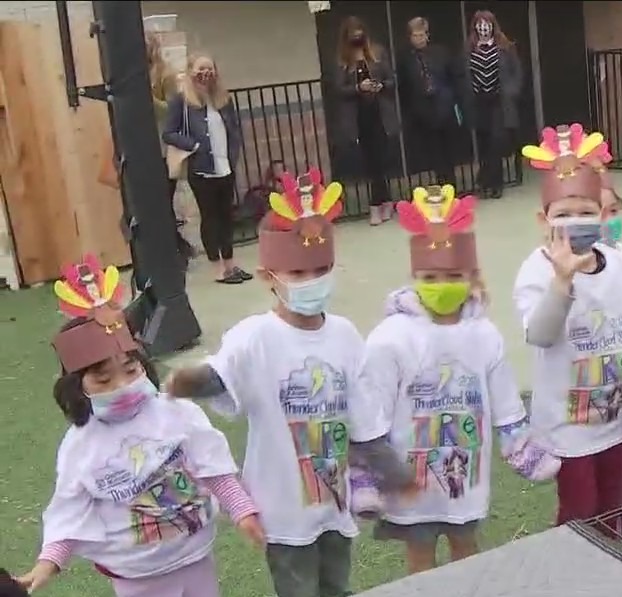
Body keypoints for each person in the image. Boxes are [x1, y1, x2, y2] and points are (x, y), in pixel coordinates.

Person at [165, 169, 413, 597]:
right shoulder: (255, 336)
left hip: (334, 497)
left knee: (336, 581)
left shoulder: (345, 334)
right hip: (283, 503)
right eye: (297, 273)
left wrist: (389, 470)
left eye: (321, 269)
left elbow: (363, 417)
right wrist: (189, 382)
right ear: (269, 277)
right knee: (298, 587)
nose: (311, 281)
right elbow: (222, 375)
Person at [15, 255, 264, 596]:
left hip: (195, 558)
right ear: (78, 388)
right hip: (137, 576)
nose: (122, 386)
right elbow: (70, 506)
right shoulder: (81, 445)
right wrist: (49, 561)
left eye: (131, 371)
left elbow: (212, 466)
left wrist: (242, 509)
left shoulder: (176, 412)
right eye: (103, 380)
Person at [359, 184, 559, 574]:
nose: (441, 283)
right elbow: (373, 407)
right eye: (430, 275)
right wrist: (373, 469)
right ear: (414, 275)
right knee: (420, 556)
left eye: (452, 274)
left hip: (464, 474)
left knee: (466, 546)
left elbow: (503, 399)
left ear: (471, 276)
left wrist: (517, 440)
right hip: (409, 477)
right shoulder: (391, 337)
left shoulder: (483, 335)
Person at [513, 124, 622, 531]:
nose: (576, 222)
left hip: (617, 420)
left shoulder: (619, 264)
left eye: (586, 212)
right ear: (543, 219)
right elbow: (540, 333)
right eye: (563, 214)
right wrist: (562, 282)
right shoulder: (536, 269)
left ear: (603, 215)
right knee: (579, 512)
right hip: (568, 429)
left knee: (616, 505)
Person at [162, 54, 248, 285]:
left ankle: (231, 263)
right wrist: (195, 146)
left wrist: (233, 152)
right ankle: (217, 267)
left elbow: (233, 128)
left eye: (210, 69)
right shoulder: (182, 101)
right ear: (191, 72)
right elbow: (169, 133)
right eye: (201, 69)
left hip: (225, 166)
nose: (206, 74)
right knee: (210, 217)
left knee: (227, 216)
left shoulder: (222, 99)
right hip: (202, 169)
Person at [334, 16, 400, 226]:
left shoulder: (377, 52)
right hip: (358, 117)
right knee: (369, 163)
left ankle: (378, 205)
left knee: (381, 160)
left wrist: (380, 85)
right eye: (352, 33)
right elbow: (337, 89)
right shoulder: (343, 60)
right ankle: (382, 203)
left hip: (379, 113)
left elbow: (392, 79)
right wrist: (357, 88)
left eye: (359, 32)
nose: (357, 36)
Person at [145, 32, 196, 266]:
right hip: (143, 146)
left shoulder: (165, 74)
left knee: (162, 202)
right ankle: (176, 248)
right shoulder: (134, 75)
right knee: (151, 204)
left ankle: (176, 250)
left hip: (164, 148)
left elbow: (172, 110)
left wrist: (147, 99)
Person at [460, 10, 522, 200]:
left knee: (496, 141)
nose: (483, 27)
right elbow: (463, 74)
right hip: (479, 102)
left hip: (498, 100)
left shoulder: (505, 47)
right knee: (484, 143)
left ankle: (496, 184)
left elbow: (517, 72)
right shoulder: (469, 48)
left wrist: (511, 90)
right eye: (479, 23)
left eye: (487, 23)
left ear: (493, 25)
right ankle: (486, 182)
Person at [397, 17, 461, 187]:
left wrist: (452, 100)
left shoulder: (441, 52)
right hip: (422, 112)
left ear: (427, 35)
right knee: (434, 153)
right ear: (410, 37)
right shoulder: (405, 59)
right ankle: (441, 185)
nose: (419, 39)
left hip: (445, 108)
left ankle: (451, 186)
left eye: (422, 35)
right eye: (415, 35)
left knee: (449, 150)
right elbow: (403, 88)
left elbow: (453, 77)